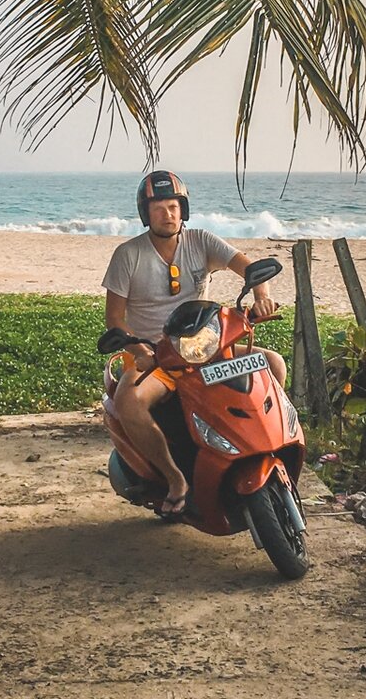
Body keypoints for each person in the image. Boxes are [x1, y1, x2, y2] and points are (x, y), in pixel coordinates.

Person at [102, 169, 288, 518]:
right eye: (158, 208)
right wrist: (139, 351)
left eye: (173, 206)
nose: (167, 214)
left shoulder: (202, 241)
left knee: (274, 364)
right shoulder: (128, 255)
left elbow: (248, 268)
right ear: (146, 213)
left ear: (182, 209)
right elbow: (115, 319)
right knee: (129, 401)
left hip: (208, 347)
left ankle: (262, 447)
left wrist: (262, 294)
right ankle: (175, 479)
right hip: (158, 358)